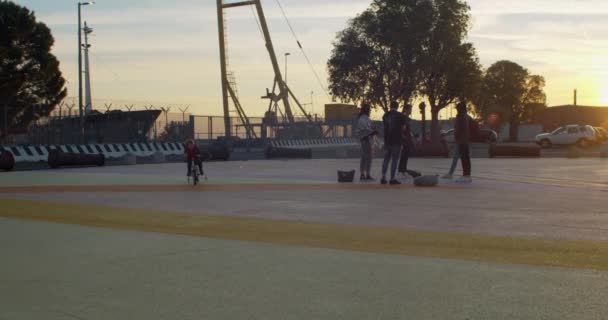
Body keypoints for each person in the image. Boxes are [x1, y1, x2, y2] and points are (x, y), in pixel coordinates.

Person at [381, 101, 406, 185]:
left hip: (387, 140)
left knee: (386, 159)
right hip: (397, 140)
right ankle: (392, 178)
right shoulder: (400, 116)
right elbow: (403, 128)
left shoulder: (385, 116)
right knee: (394, 160)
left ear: (390, 106)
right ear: (397, 106)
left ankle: (383, 177)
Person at [452, 101, 473, 183]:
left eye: (458, 108)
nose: (457, 109)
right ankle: (467, 175)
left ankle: (466, 175)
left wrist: (456, 136)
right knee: (465, 158)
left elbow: (458, 129)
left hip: (462, 140)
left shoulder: (461, 117)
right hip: (465, 140)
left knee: (464, 158)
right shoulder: (466, 116)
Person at [356, 103, 378, 181]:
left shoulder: (363, 118)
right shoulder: (363, 119)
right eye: (369, 109)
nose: (370, 111)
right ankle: (365, 174)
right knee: (367, 157)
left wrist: (372, 131)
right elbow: (365, 130)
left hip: (366, 139)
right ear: (367, 110)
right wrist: (372, 132)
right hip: (366, 139)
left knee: (365, 157)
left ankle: (364, 173)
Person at [398, 104, 414, 178]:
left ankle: (404, 170)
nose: (411, 110)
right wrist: (403, 136)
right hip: (405, 140)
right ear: (406, 109)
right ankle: (401, 170)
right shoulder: (403, 117)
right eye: (410, 109)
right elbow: (401, 129)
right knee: (404, 155)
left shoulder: (407, 118)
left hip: (408, 139)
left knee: (406, 155)